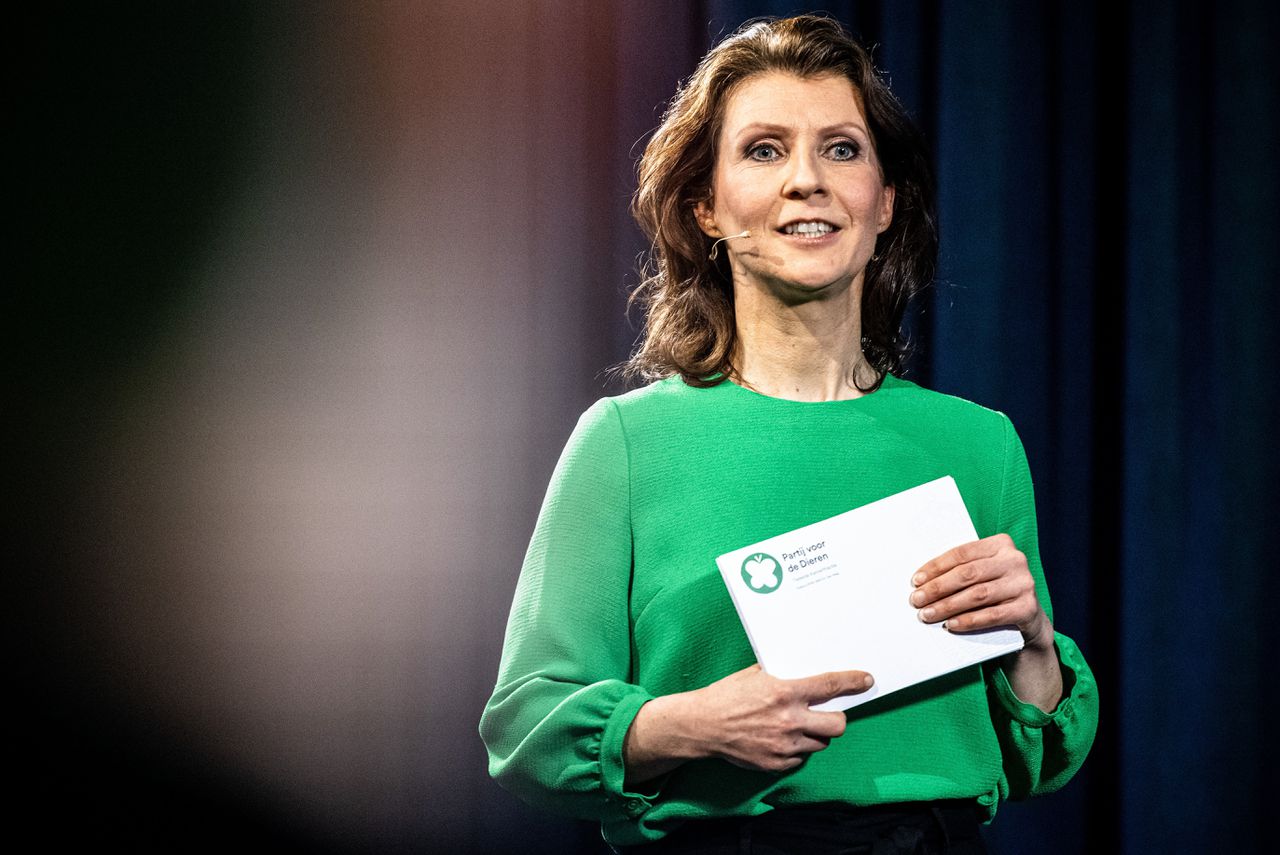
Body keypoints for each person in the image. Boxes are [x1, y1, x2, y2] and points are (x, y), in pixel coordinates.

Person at [480, 15, 1097, 854]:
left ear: (884, 203)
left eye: (841, 148)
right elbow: (527, 724)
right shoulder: (625, 442)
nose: (807, 179)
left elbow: (1037, 759)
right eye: (764, 150)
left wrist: (1030, 642)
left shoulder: (978, 444)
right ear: (704, 207)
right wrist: (690, 723)